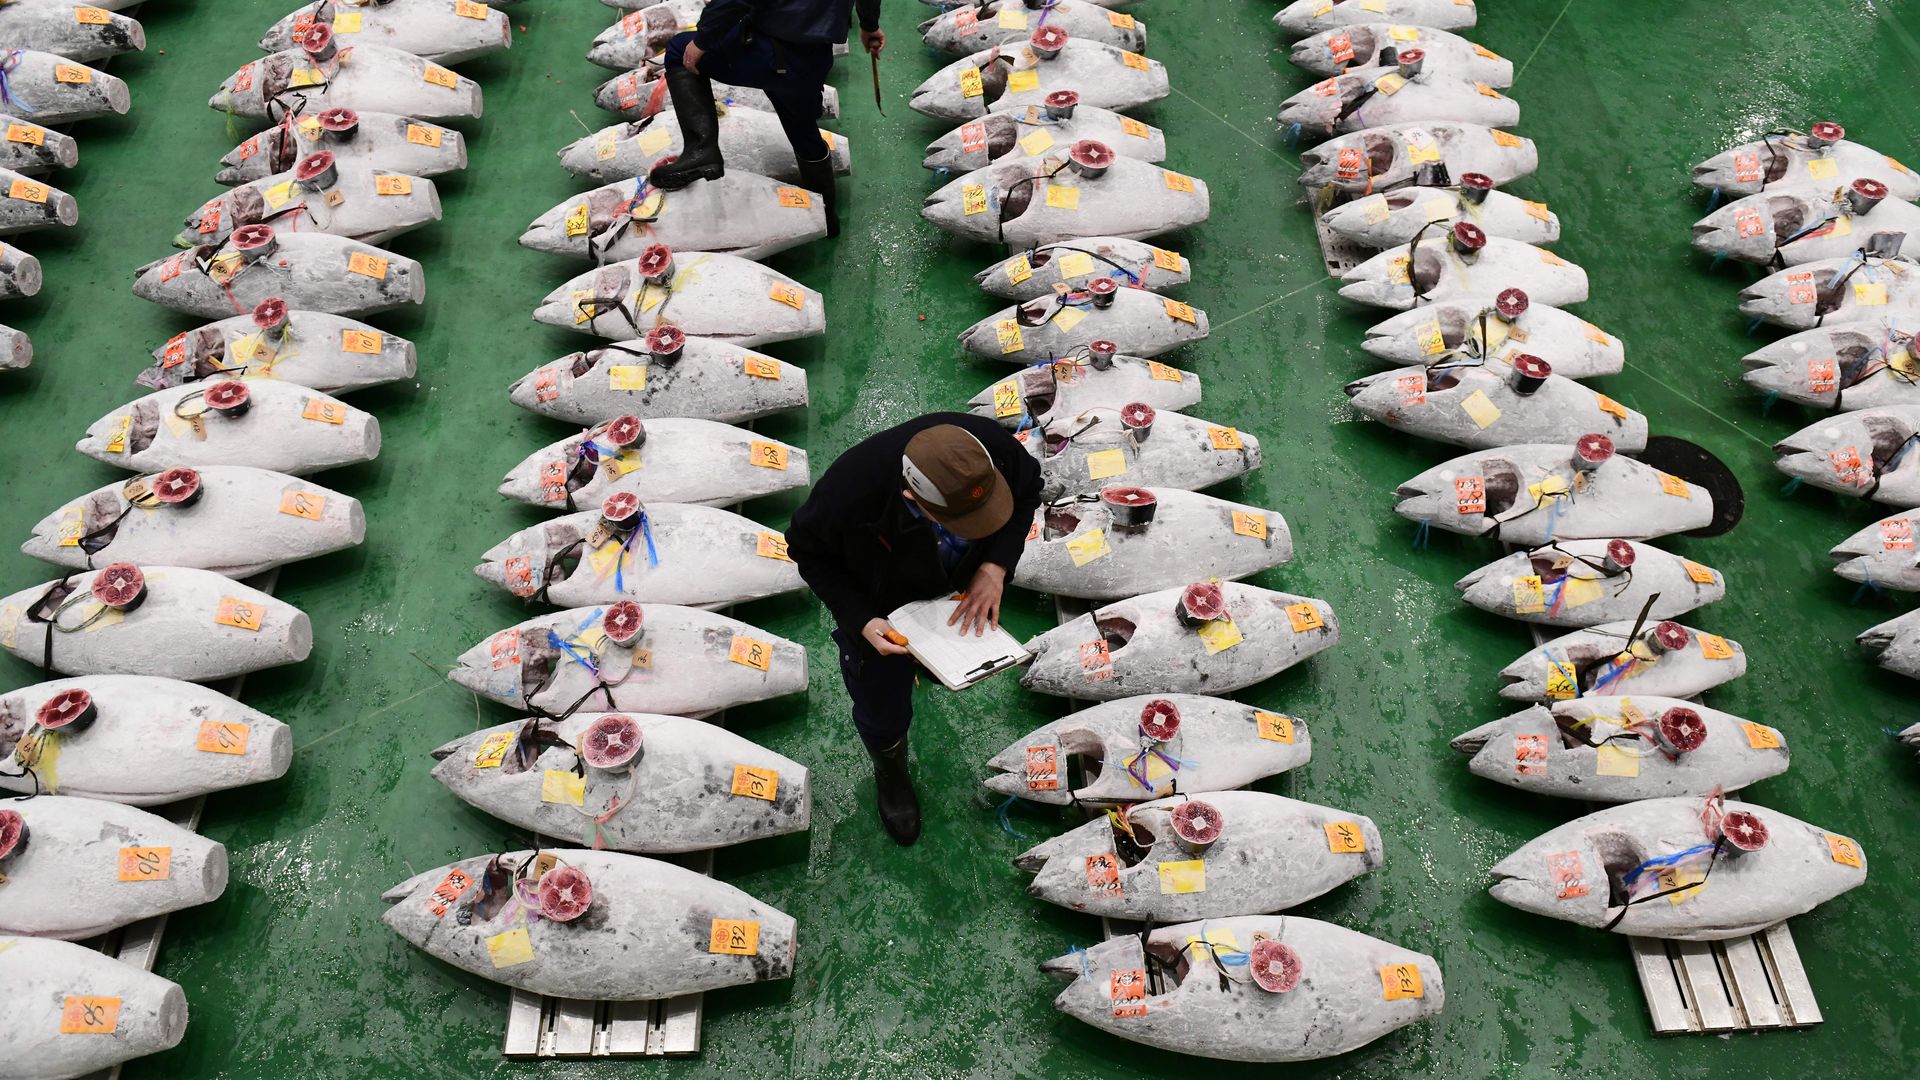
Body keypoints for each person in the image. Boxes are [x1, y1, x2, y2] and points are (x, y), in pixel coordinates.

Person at [786, 414, 1044, 845]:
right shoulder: (851, 490)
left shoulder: (984, 449)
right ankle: (890, 769)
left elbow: (1029, 488)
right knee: (881, 706)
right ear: (912, 497)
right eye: (966, 521)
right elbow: (808, 552)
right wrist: (861, 619)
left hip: (957, 583)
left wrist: (995, 563)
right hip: (883, 612)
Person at [648, 0, 884, 237]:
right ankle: (824, 218)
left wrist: (701, 41)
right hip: (813, 58)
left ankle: (700, 151)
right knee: (802, 128)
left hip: (769, 51)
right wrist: (869, 26)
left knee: (679, 50)